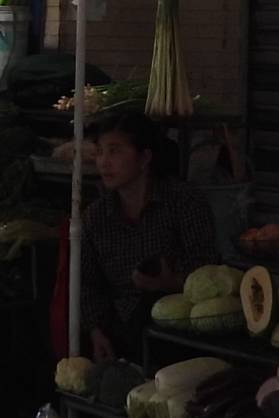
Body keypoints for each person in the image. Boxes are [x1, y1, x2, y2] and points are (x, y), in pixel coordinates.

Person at [79, 111, 225, 364]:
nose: (103, 162)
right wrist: (96, 330)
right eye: (100, 151)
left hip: (176, 326)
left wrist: (173, 283)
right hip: (118, 326)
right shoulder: (95, 217)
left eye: (114, 151)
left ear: (144, 157)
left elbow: (206, 265)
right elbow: (87, 283)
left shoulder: (184, 201)